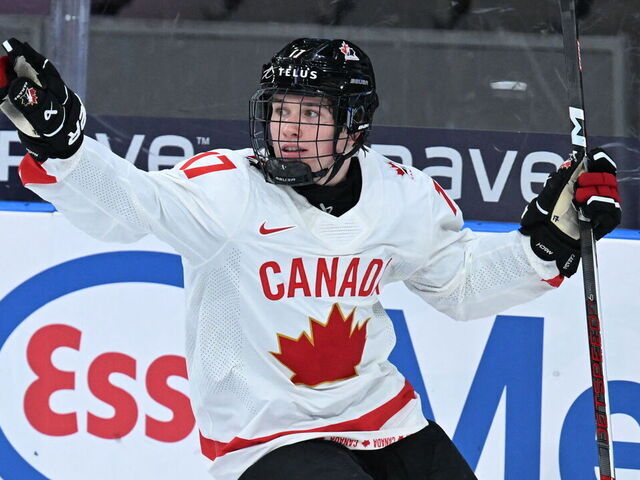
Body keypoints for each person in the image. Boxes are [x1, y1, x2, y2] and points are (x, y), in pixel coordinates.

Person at [0, 37, 621, 479]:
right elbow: (132, 206)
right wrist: (63, 147)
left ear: (354, 128)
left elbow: (460, 285)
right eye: (279, 113)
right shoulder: (227, 189)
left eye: (310, 115)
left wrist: (549, 242)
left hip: (382, 416)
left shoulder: (399, 196)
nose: (287, 130)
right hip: (265, 435)